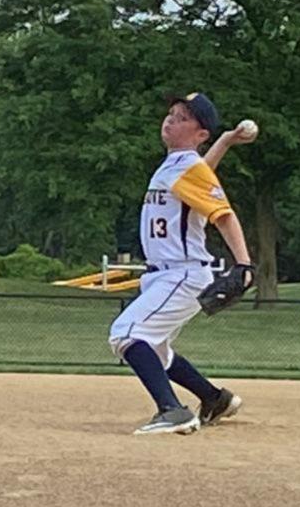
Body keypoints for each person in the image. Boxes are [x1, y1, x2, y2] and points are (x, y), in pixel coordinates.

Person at [109, 93, 256, 434]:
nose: (171, 120)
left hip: (181, 273)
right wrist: (225, 142)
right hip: (167, 275)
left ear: (200, 134)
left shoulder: (186, 166)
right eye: (171, 113)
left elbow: (223, 215)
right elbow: (203, 174)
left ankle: (172, 410)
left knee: (126, 333)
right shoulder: (180, 165)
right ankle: (214, 399)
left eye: (183, 117)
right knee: (155, 349)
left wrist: (244, 264)